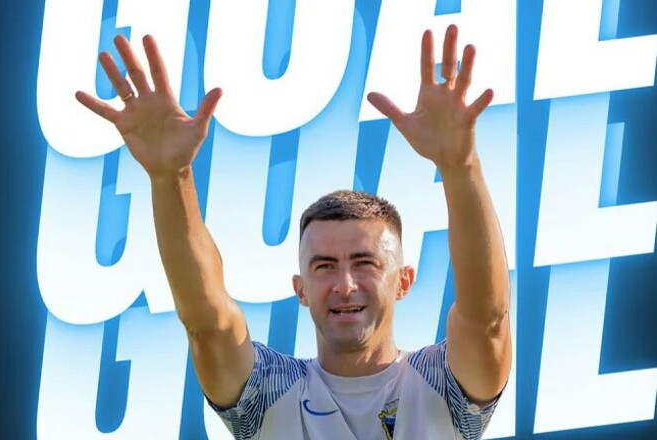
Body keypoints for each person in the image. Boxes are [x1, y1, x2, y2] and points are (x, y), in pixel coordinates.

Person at [77, 24, 511, 440]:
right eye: (324, 266)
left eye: (365, 263)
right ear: (300, 289)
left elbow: (488, 319)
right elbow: (207, 323)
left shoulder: (445, 386)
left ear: (404, 280)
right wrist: (170, 176)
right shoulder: (268, 394)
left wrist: (460, 166)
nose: (345, 285)